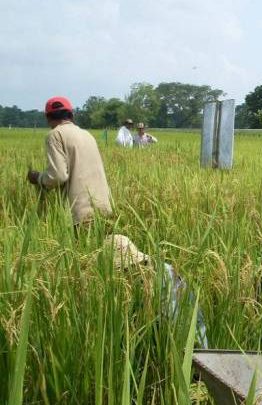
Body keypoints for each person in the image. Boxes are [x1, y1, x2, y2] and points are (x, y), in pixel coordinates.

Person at [104, 234, 208, 348]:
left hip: (190, 343)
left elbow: (174, 323)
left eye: (122, 270)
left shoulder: (163, 278)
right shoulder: (142, 276)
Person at [27, 96, 112, 226]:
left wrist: (38, 178)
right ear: (71, 115)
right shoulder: (87, 134)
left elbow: (58, 175)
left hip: (81, 214)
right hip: (105, 209)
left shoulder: (55, 135)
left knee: (80, 246)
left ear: (48, 118)